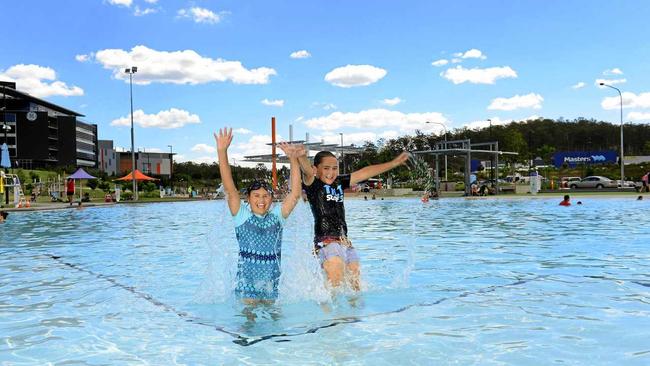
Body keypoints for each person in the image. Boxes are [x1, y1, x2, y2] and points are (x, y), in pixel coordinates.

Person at [298, 149, 409, 290]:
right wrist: (301, 156)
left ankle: (355, 312)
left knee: (355, 284)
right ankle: (329, 311)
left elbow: (365, 172)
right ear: (316, 169)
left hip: (344, 242)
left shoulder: (339, 182)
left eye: (335, 168)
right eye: (326, 168)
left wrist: (393, 163)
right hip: (325, 242)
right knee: (335, 282)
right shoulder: (313, 185)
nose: (331, 172)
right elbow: (306, 170)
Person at [215, 128, 302, 303]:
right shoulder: (242, 216)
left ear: (272, 198)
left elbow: (295, 195)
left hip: (271, 286)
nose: (261, 200)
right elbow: (230, 189)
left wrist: (293, 160)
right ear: (248, 198)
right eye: (256, 196)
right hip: (247, 286)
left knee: (274, 326)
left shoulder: (277, 217)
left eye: (265, 196)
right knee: (248, 326)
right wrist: (222, 151)